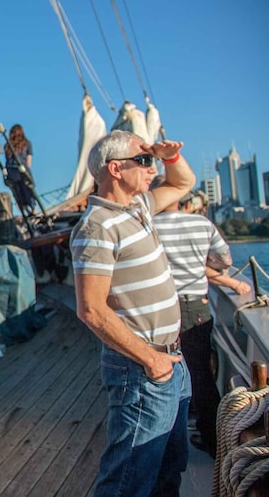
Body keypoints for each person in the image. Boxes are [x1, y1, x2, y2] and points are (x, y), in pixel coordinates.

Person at [70, 130, 196, 497]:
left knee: (170, 466)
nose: (151, 168)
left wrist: (166, 155)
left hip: (171, 358)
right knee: (128, 479)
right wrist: (152, 360)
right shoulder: (97, 227)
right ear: (115, 169)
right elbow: (91, 309)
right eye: (143, 161)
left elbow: (183, 182)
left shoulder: (137, 208)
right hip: (143, 367)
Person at [153, 183, 251, 458]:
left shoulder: (148, 227)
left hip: (162, 308)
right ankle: (213, 441)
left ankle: (167, 440)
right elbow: (223, 260)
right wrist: (207, 268)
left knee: (165, 373)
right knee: (200, 373)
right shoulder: (201, 224)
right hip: (196, 306)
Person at [4, 124, 35, 214]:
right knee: (29, 190)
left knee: (17, 191)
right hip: (22, 170)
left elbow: (7, 159)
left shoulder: (7, 146)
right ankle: (33, 209)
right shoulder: (27, 143)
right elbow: (29, 161)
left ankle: (25, 210)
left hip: (11, 171)